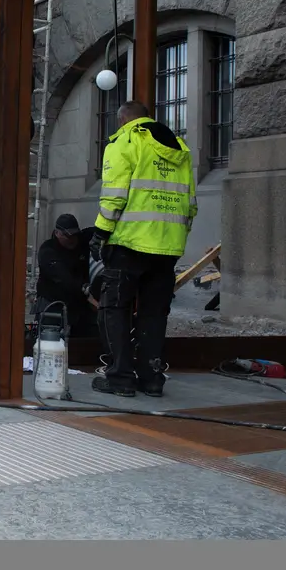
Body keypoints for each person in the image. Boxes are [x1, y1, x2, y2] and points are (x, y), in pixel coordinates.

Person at [88, 101, 196, 398]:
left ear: (123, 120)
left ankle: (120, 377)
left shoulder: (125, 140)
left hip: (129, 243)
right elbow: (191, 203)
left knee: (114, 309)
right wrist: (174, 239)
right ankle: (151, 379)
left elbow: (114, 194)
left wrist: (100, 233)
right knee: (153, 313)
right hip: (167, 247)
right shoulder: (179, 148)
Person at [34, 213, 102, 339]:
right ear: (57, 233)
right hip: (53, 303)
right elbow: (63, 278)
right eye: (67, 235)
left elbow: (101, 230)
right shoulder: (48, 250)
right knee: (50, 341)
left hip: (79, 305)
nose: (72, 239)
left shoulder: (82, 239)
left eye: (75, 235)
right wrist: (87, 291)